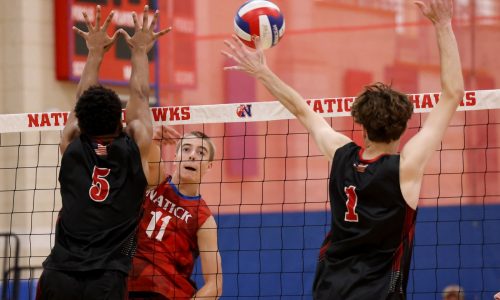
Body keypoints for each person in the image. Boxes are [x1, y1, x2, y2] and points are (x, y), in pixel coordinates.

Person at [222, 0, 463, 299]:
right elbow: (452, 94)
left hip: (329, 287)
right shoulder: (406, 167)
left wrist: (261, 72)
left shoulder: (341, 154)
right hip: (378, 293)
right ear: (403, 127)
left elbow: (300, 109)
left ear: (360, 124)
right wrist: (443, 25)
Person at [36, 5, 171, 300]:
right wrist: (139, 51)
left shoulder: (71, 144)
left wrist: (94, 53)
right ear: (120, 119)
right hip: (106, 279)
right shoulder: (135, 146)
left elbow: (81, 96)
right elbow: (139, 95)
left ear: (80, 121)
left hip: (59, 275)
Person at [128, 126, 223, 299]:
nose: (192, 155)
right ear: (175, 157)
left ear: (209, 166)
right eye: (186, 149)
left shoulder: (204, 219)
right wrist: (155, 140)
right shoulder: (157, 183)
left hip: (168, 291)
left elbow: (215, 285)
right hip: (128, 280)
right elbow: (152, 159)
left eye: (201, 152)